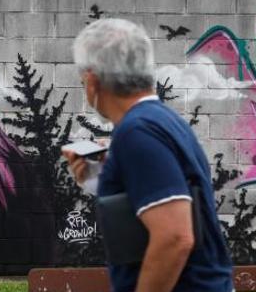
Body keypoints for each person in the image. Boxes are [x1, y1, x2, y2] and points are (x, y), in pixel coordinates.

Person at [63, 18, 234, 292]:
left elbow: (175, 237)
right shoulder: (163, 121)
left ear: (92, 80)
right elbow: (162, 201)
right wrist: (102, 179)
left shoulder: (137, 133)